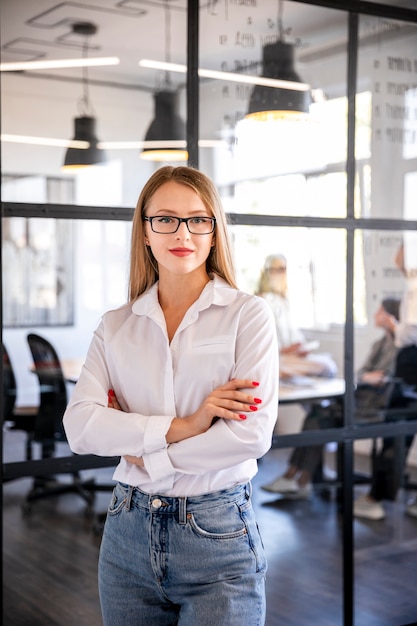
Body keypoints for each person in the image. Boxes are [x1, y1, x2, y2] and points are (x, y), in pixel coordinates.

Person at [63, 165, 279, 625]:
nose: (183, 232)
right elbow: (80, 427)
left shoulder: (247, 315)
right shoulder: (116, 325)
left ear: (215, 230)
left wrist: (144, 449)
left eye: (199, 219)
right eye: (165, 218)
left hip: (217, 534)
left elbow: (248, 437)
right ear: (144, 230)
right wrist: (188, 425)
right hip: (126, 534)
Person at [262, 297, 401, 499]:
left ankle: (297, 477)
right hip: (359, 399)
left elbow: (381, 378)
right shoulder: (380, 343)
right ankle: (298, 478)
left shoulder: (398, 346)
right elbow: (362, 374)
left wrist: (368, 377)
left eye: (379, 311)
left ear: (389, 316)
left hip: (370, 407)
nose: (374, 315)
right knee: (317, 416)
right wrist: (366, 377)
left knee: (318, 419)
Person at [354, 244, 417, 520]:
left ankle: (374, 496)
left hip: (402, 386)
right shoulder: (411, 285)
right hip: (398, 385)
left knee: (396, 438)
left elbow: (410, 333)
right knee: (397, 438)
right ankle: (375, 495)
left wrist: (395, 328)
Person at [256, 254, 337, 379]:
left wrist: (301, 348)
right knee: (326, 366)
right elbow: (261, 344)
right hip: (276, 358)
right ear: (266, 272)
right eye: (276, 270)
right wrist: (285, 349)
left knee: (328, 364)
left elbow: (293, 334)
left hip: (290, 356)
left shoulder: (283, 300)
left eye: (283, 269)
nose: (280, 274)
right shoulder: (261, 301)